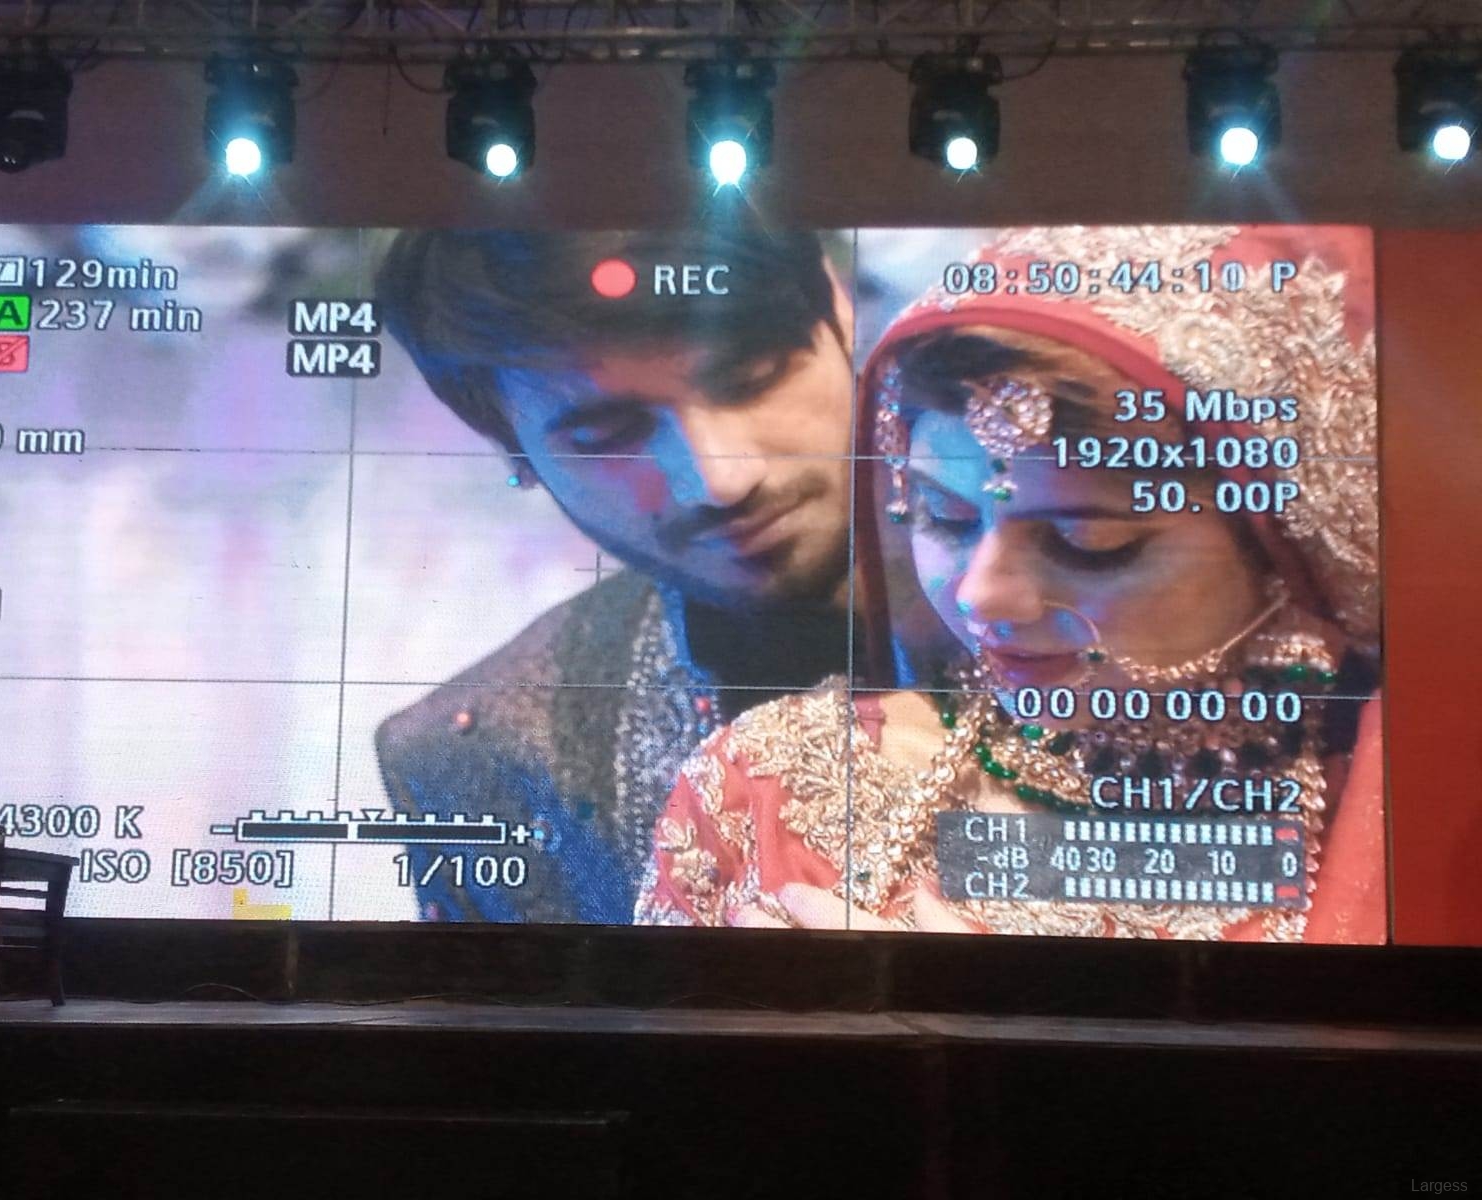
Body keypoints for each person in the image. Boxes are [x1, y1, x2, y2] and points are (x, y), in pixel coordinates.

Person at [636, 224, 1385, 942]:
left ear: (1284, 553)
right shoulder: (772, 789)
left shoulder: (1403, 801)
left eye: (1088, 544)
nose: (980, 595)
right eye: (945, 517)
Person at [374, 228, 858, 922]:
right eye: (610, 436)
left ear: (838, 307)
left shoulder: (1035, 627)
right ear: (512, 450)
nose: (719, 479)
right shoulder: (479, 753)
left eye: (748, 379)